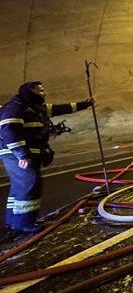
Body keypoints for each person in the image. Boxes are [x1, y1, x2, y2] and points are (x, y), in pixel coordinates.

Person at [0, 81, 94, 234]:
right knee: (29, 183)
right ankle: (24, 223)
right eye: (39, 91)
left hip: (26, 152)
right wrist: (22, 154)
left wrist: (85, 104)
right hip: (15, 153)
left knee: (20, 185)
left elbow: (61, 108)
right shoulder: (16, 107)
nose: (43, 94)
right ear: (28, 92)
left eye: (43, 90)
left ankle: (14, 220)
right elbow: (9, 131)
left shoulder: (37, 108)